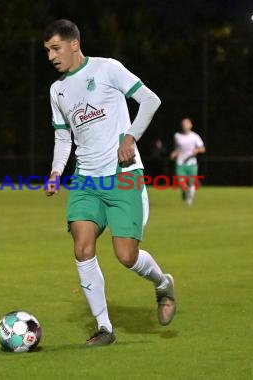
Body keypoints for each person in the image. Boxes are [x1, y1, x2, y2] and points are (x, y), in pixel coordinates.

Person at [43, 19, 175, 347]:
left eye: (55, 48)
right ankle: (105, 328)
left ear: (74, 44)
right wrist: (56, 172)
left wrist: (130, 136)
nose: (51, 56)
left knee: (126, 256)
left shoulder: (107, 69)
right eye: (47, 50)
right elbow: (63, 137)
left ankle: (162, 284)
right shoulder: (56, 90)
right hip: (86, 180)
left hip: (123, 176)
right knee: (82, 246)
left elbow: (150, 100)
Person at [170, 118, 205, 206]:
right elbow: (177, 148)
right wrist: (174, 153)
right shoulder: (177, 135)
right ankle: (185, 192)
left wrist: (197, 150)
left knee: (191, 183)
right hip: (180, 163)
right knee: (181, 182)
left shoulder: (195, 136)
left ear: (191, 125)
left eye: (186, 124)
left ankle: (189, 200)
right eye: (183, 124)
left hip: (192, 163)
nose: (184, 125)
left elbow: (203, 148)